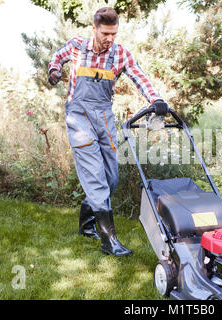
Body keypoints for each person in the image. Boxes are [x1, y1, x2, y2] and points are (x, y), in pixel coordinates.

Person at [48, 7, 168, 257]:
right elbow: (57, 56)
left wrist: (155, 99)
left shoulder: (120, 54)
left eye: (114, 33)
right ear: (94, 29)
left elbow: (139, 77)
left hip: (104, 117)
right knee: (94, 174)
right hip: (78, 117)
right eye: (105, 33)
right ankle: (108, 241)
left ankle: (86, 223)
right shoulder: (77, 46)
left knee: (111, 177)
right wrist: (54, 70)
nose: (110, 38)